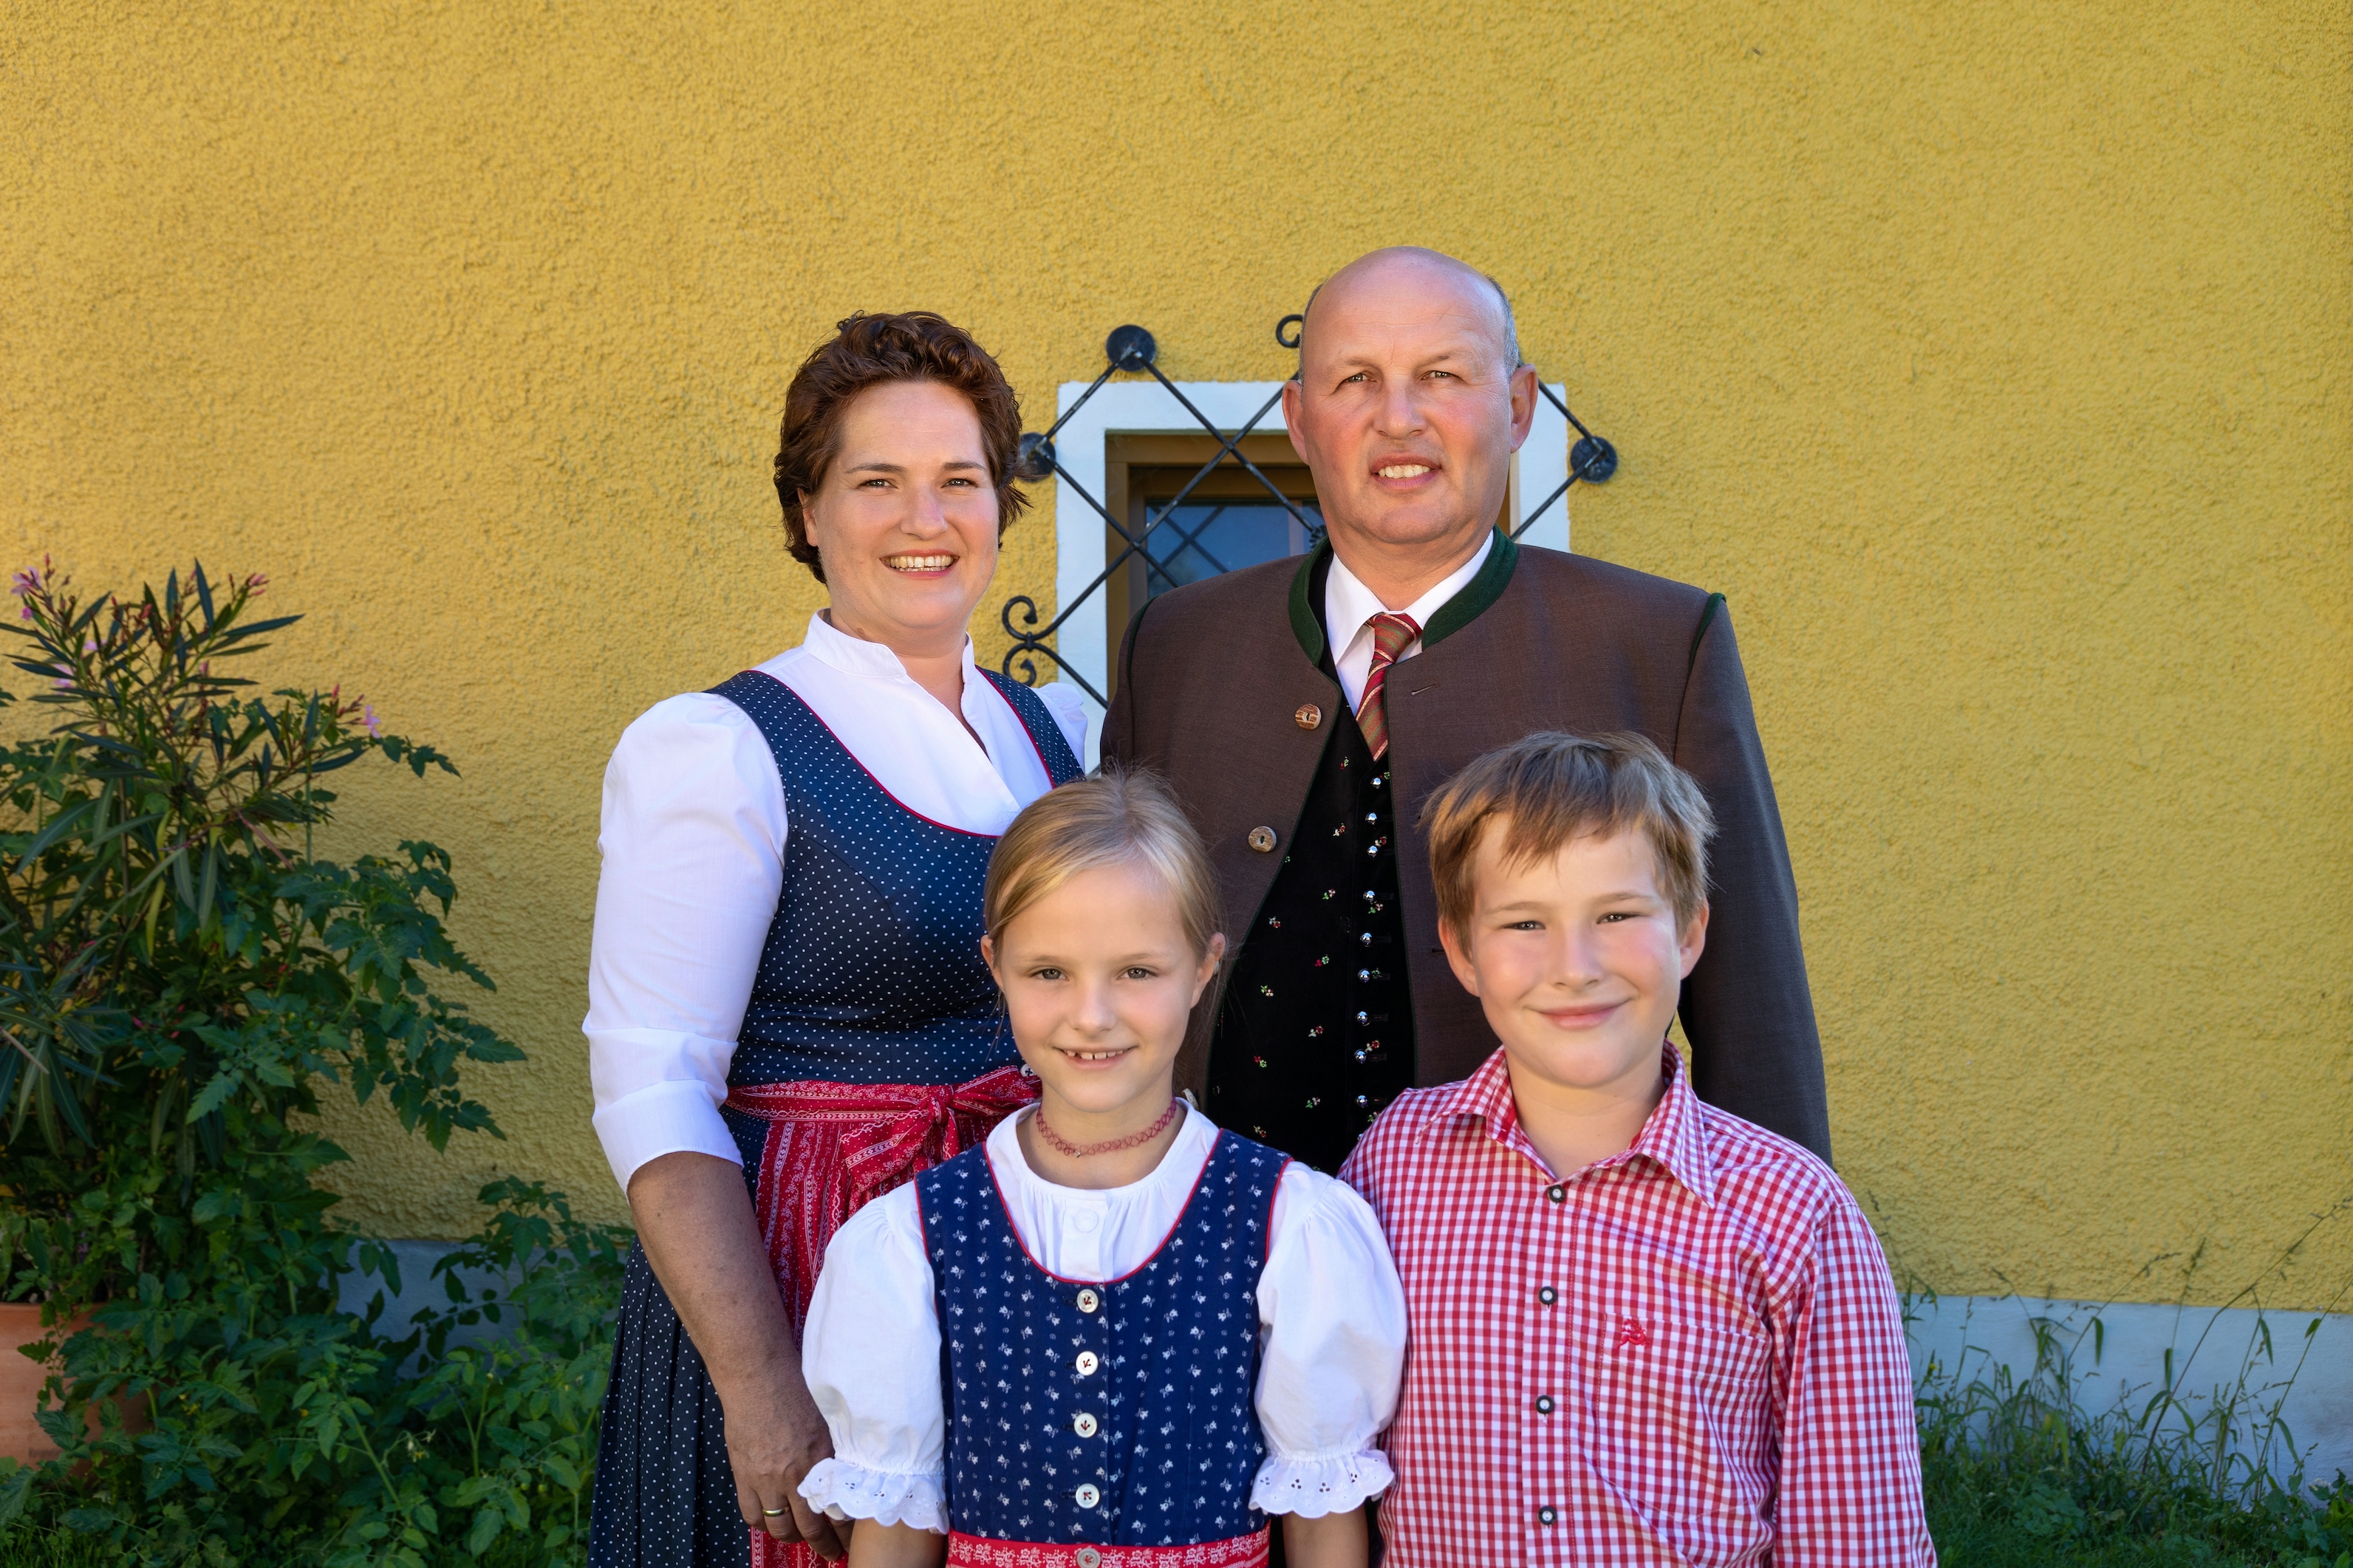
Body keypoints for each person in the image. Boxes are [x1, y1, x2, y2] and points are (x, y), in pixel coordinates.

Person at [1100, 245, 1830, 1177]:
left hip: (1525, 1262)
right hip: (1217, 1242)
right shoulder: (1178, 640)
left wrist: (1781, 1242)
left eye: (1440, 375)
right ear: (1296, 417)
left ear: (1517, 406)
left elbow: (1750, 994)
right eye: (1354, 379)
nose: (1396, 418)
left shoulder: (1654, 640)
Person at [584, 312, 1086, 1568]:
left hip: (1011, 1258)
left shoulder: (1055, 728)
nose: (927, 518)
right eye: (878, 483)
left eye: (959, 480)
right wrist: (760, 1387)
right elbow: (654, 1091)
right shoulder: (721, 745)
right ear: (808, 512)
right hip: (801, 1271)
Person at [1341, 731, 1933, 1567]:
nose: (1572, 966)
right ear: (1461, 951)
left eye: (1615, 914)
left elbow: (1854, 1534)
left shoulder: (1796, 1211)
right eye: (1522, 922)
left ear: (1688, 932)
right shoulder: (1389, 1165)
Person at [796, 771, 1406, 1568]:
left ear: (1201, 968)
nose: (1092, 1014)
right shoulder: (910, 1235)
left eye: (1136, 971)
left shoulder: (1289, 1220)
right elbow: (898, 1522)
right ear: (996, 966)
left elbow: (1322, 1520)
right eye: (1049, 971)